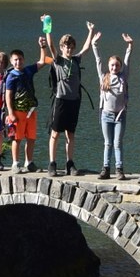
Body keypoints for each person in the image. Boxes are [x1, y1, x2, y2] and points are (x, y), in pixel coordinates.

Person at [48, 21, 100, 176]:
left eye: (71, 47)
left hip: (74, 101)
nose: (69, 49)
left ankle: (70, 164)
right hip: (61, 100)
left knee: (70, 133)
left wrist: (90, 31)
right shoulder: (58, 60)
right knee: (55, 133)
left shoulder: (76, 60)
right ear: (62, 47)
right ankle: (52, 163)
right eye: (66, 46)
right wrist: (47, 28)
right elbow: (50, 45)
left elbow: (86, 48)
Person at [97, 35, 131, 179]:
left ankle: (119, 169)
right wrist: (94, 45)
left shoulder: (123, 77)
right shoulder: (104, 77)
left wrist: (130, 46)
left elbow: (128, 61)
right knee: (108, 143)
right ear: (109, 66)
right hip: (106, 115)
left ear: (120, 66)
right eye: (112, 65)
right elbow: (97, 61)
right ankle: (105, 168)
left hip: (120, 116)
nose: (114, 67)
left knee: (117, 143)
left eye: (117, 65)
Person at [5, 47, 42, 173]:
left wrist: (42, 47)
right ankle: (15, 163)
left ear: (24, 60)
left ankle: (29, 162)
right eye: (15, 60)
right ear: (11, 61)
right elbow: (8, 95)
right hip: (18, 111)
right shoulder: (11, 77)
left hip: (31, 110)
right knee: (17, 138)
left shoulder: (28, 71)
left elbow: (42, 61)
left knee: (31, 137)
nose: (18, 62)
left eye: (20, 59)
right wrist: (10, 113)